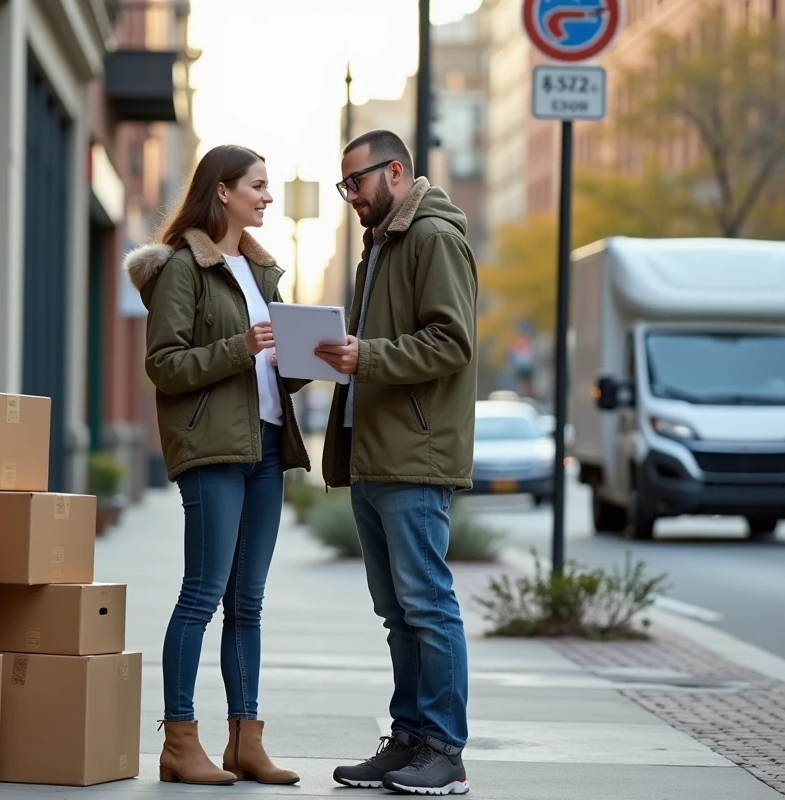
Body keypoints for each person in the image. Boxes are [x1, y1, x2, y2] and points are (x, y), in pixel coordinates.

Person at [122, 144, 311, 787]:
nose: (267, 196)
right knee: (201, 596)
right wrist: (240, 347)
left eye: (269, 186)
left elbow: (265, 367)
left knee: (248, 602)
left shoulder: (261, 274)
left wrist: (302, 360)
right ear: (223, 191)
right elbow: (165, 365)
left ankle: (245, 740)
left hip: (265, 445)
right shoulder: (182, 268)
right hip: (211, 449)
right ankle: (179, 742)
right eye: (258, 185)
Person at [317, 129, 478, 796]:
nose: (350, 194)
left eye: (357, 181)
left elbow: (452, 341)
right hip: (374, 453)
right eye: (344, 184)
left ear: (396, 171)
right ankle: (410, 738)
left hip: (416, 456)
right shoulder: (378, 247)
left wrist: (367, 357)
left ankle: (444, 749)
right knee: (398, 613)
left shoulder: (433, 237)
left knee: (428, 607)